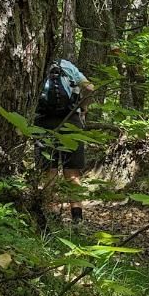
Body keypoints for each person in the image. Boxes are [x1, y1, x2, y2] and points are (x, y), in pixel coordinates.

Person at [35, 59, 94, 224]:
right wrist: (84, 107)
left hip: (44, 122)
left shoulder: (36, 63)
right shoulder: (68, 66)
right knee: (72, 173)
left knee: (49, 172)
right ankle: (77, 218)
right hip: (71, 120)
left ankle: (51, 216)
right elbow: (89, 88)